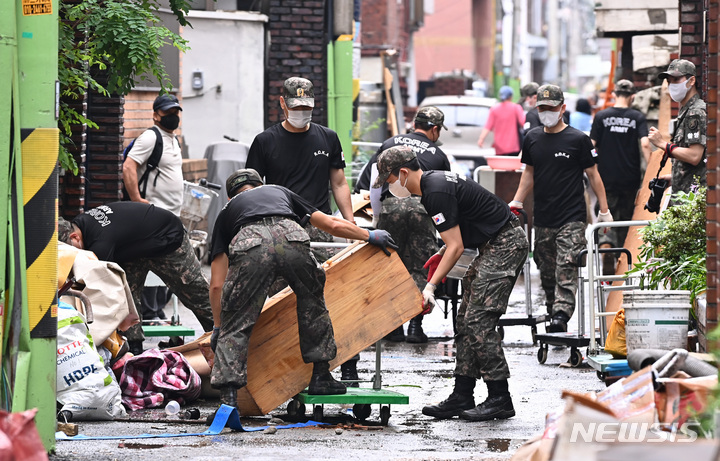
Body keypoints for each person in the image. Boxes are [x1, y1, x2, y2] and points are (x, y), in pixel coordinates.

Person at [208, 169, 398, 411]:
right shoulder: (279, 191)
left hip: (250, 243)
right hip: (292, 237)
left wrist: (218, 326)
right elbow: (330, 224)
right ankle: (320, 376)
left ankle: (229, 401)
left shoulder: (227, 212)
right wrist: (368, 235)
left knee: (237, 320)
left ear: (230, 196)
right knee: (313, 303)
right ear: (261, 183)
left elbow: (216, 284)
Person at [371, 146, 528, 422]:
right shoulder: (433, 184)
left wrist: (430, 286)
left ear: (403, 173)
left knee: (478, 320)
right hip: (492, 244)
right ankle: (462, 394)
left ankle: (500, 397)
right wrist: (442, 253)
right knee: (465, 319)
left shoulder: (435, 192)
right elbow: (457, 236)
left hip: (505, 244)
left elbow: (456, 245)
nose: (390, 187)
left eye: (390, 180)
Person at [245, 76, 360, 383]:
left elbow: (338, 181)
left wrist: (349, 221)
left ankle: (345, 362)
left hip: (319, 230)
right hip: (279, 229)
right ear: (282, 103)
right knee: (273, 299)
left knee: (325, 298)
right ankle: (273, 366)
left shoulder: (327, 138)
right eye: (296, 106)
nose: (302, 111)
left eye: (307, 106)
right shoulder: (265, 141)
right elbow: (251, 190)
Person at [510, 84, 612, 333]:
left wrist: (604, 211)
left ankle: (561, 315)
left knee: (566, 264)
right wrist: (516, 201)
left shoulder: (579, 140)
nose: (546, 112)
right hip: (543, 215)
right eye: (542, 108)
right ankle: (551, 307)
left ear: (562, 108)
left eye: (551, 108)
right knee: (545, 267)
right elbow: (529, 173)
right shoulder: (533, 138)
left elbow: (594, 176)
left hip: (572, 216)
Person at [58, 202, 214, 355]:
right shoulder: (80, 223)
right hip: (135, 247)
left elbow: (100, 285)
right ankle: (133, 348)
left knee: (195, 293)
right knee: (127, 295)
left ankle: (220, 334)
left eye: (71, 250)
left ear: (75, 236)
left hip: (166, 237)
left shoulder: (101, 242)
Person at [354, 106, 452, 343]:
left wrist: (376, 219)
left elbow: (371, 186)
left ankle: (393, 326)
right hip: (421, 208)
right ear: (435, 129)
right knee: (420, 266)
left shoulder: (389, 143)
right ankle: (416, 326)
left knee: (391, 265)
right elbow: (444, 190)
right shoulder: (438, 154)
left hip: (390, 206)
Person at [122, 94, 185, 326]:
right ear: (156, 115)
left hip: (171, 216)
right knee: (150, 266)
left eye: (175, 112)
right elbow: (129, 166)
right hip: (153, 217)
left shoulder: (173, 139)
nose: (172, 117)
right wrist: (137, 199)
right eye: (167, 113)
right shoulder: (151, 137)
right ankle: (147, 314)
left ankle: (155, 310)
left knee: (164, 267)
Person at [590, 79, 652, 272]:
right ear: (632, 96)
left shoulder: (601, 117)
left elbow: (591, 145)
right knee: (625, 220)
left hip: (605, 178)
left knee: (605, 213)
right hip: (629, 178)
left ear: (615, 94)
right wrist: (651, 170)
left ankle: (606, 244)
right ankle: (621, 262)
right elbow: (644, 144)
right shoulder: (637, 117)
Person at [648, 59, 707, 195]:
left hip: (692, 199)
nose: (671, 85)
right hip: (685, 194)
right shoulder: (686, 110)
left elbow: (694, 156)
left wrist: (662, 144)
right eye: (669, 81)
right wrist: (674, 179)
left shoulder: (695, 112)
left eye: (676, 79)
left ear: (691, 81)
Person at [477, 86, 525, 156]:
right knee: (513, 166)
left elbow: (488, 126)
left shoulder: (494, 109)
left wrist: (481, 139)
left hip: (499, 147)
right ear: (511, 96)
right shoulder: (516, 108)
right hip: (514, 146)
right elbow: (523, 122)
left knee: (501, 166)